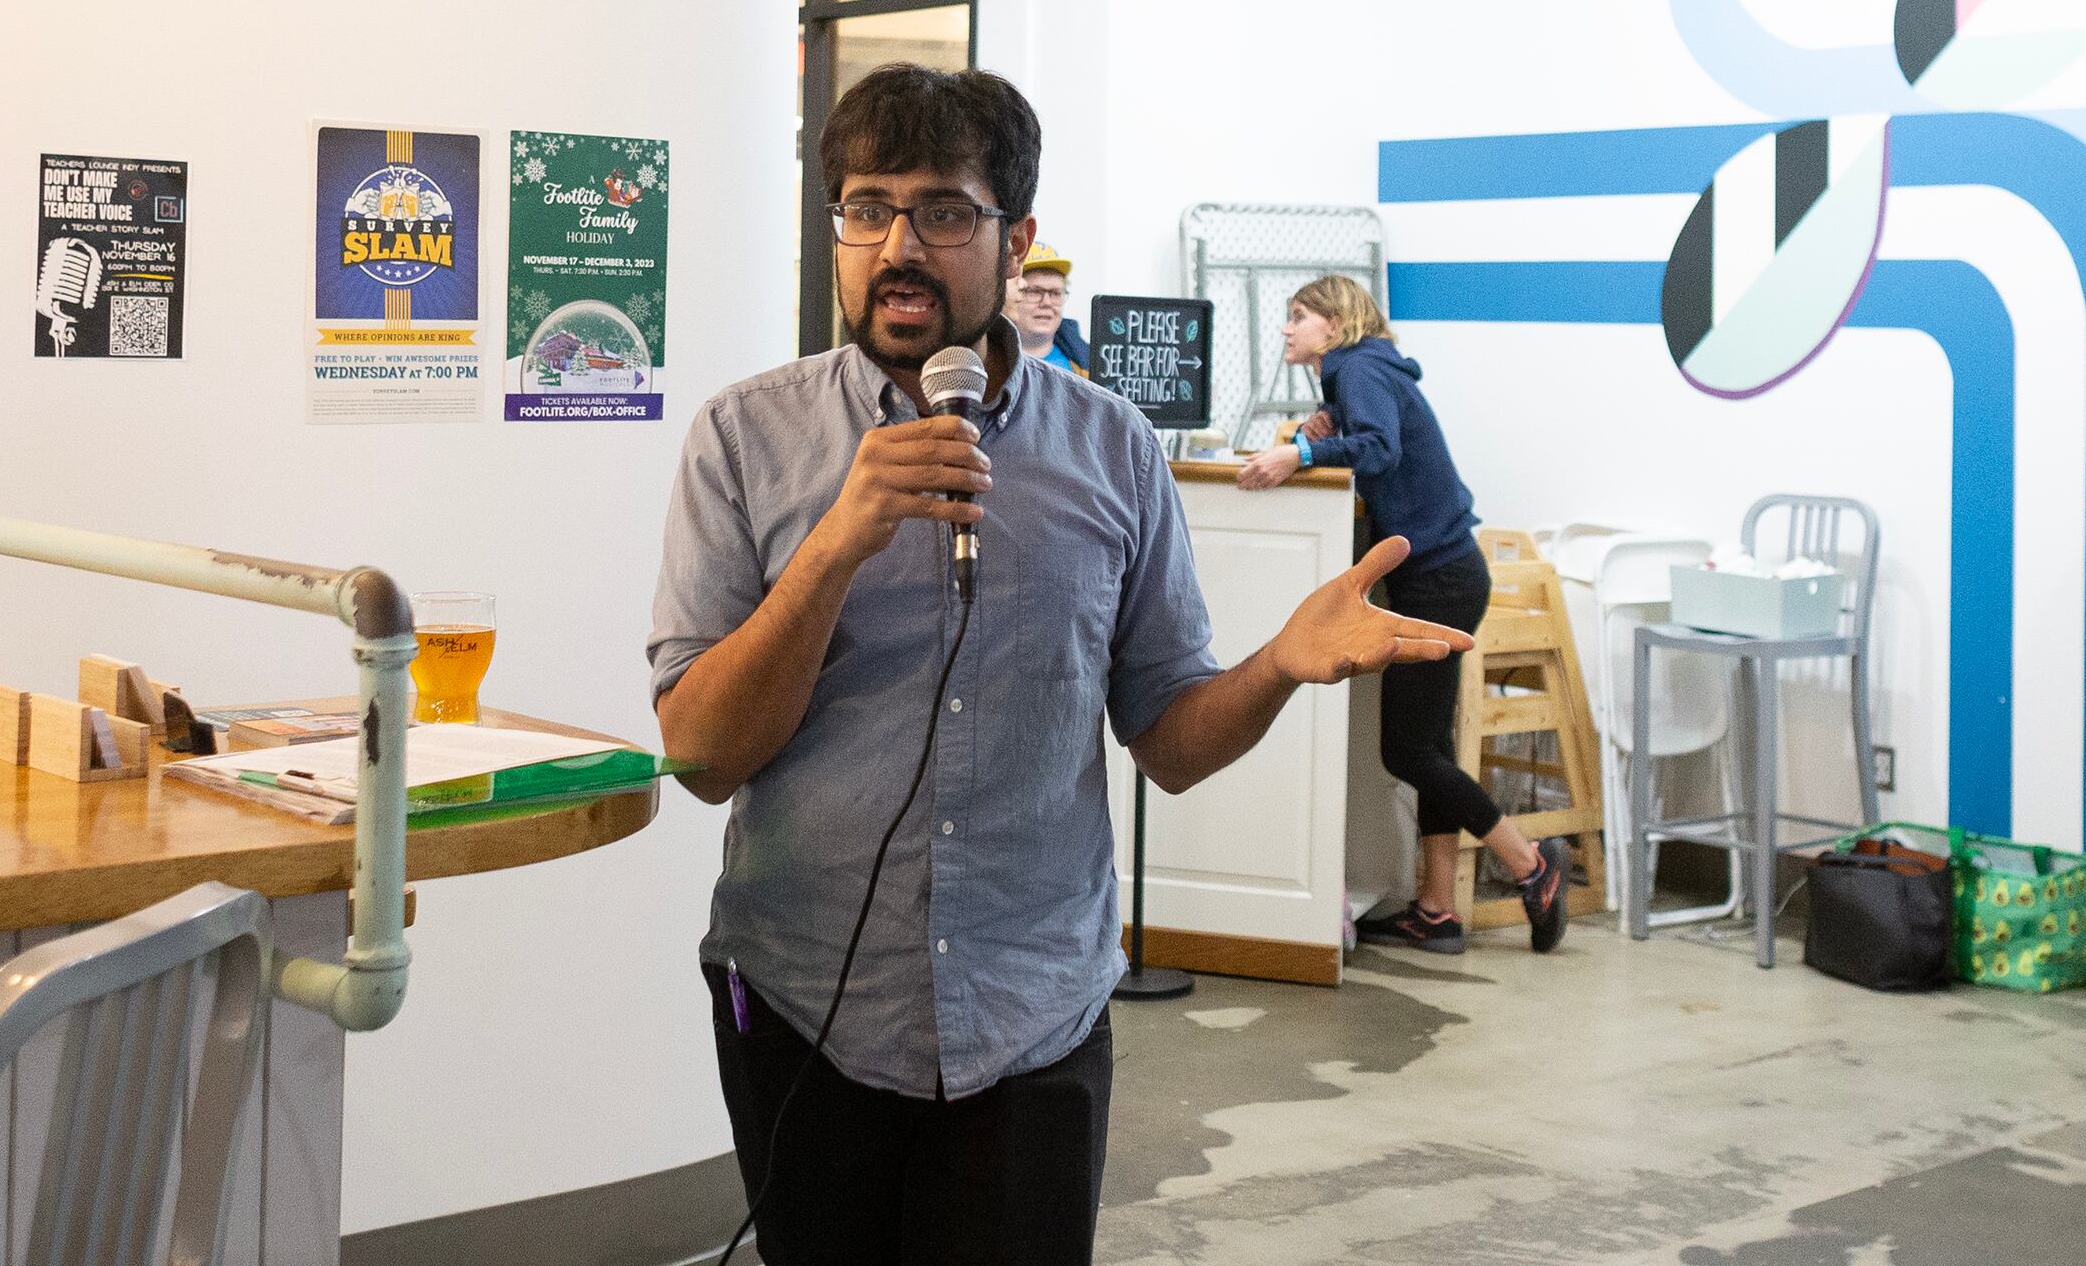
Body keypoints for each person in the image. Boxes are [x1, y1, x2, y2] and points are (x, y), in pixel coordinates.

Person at [646, 67, 1469, 1266]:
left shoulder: (1112, 448)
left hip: (1034, 1017)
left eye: (942, 210)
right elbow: (701, 755)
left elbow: (1171, 740)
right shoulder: (743, 437)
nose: (896, 246)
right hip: (804, 1005)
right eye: (866, 208)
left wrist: (1279, 665)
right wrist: (836, 543)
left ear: (1017, 237)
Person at [1235, 273, 1571, 957]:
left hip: (1440, 579)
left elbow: (1381, 448)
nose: (1287, 328)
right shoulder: (1364, 370)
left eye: (1298, 315)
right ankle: (1438, 910)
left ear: (1334, 324)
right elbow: (1375, 440)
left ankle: (1530, 864)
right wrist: (1322, 430)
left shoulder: (1356, 367)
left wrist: (1299, 452)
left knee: (1408, 750)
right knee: (1429, 748)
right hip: (1446, 573)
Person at [1003, 240, 1089, 373]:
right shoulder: (985, 360)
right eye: (1035, 291)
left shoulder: (1089, 365)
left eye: (1055, 293)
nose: (1047, 303)